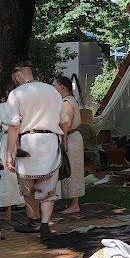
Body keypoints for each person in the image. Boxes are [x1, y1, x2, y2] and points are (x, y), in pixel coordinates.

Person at [5, 63, 64, 240]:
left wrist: (9, 153)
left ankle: (34, 221)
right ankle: (45, 225)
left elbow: (14, 126)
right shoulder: (52, 91)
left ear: (18, 77)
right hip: (50, 141)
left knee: (27, 187)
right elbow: (63, 120)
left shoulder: (16, 94)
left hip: (28, 143)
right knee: (48, 188)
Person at [53, 74, 85, 215]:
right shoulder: (67, 100)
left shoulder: (67, 102)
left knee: (72, 170)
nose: (53, 88)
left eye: (54, 85)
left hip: (71, 139)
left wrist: (64, 141)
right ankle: (71, 202)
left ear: (62, 87)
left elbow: (66, 124)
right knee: (69, 168)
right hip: (70, 137)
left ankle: (75, 204)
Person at [0, 84, 21, 221]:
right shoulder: (25, 105)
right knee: (25, 173)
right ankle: (32, 210)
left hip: (8, 138)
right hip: (25, 139)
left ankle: (8, 211)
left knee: (7, 177)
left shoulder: (1, 107)